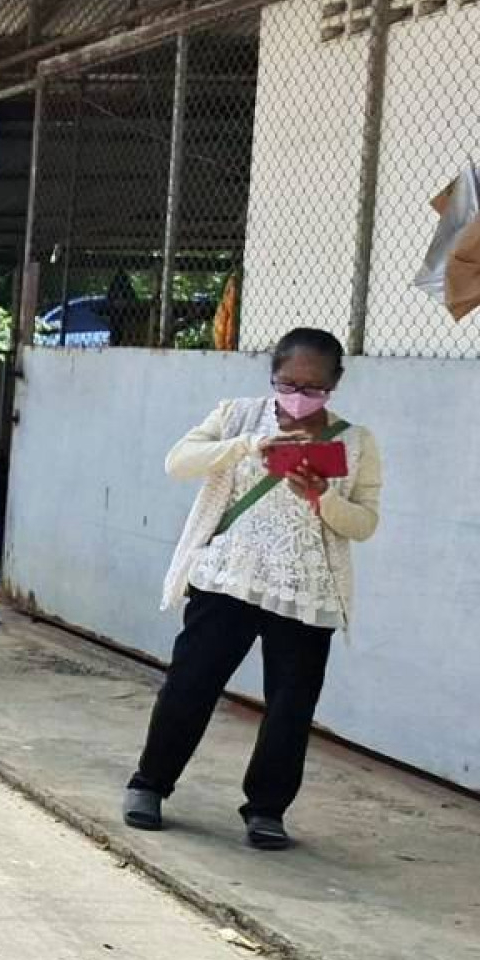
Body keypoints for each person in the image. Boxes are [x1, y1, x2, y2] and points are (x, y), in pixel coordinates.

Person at [123, 328, 381, 852]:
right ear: (272, 375)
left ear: (334, 384)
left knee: (291, 703)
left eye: (314, 387)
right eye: (289, 383)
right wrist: (251, 445)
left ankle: (266, 810)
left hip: (305, 590)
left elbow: (365, 522)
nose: (300, 396)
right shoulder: (239, 415)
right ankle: (149, 785)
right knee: (191, 684)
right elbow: (179, 462)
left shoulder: (356, 441)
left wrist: (321, 498)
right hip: (227, 577)